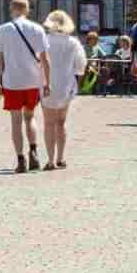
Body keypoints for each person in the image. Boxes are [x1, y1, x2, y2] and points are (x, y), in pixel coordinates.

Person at [0, 0, 49, 173]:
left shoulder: (3, 29)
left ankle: (20, 159)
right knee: (30, 118)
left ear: (11, 10)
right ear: (27, 10)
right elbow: (45, 60)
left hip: (12, 81)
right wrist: (47, 82)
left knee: (16, 121)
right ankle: (34, 151)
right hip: (32, 81)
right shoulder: (37, 29)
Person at [38, 9, 86, 171]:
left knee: (48, 123)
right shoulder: (73, 42)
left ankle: (50, 160)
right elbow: (80, 67)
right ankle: (61, 157)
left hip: (47, 84)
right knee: (61, 122)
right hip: (66, 85)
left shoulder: (44, 40)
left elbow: (36, 62)